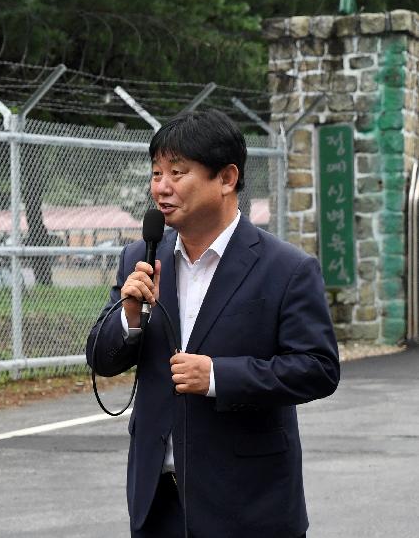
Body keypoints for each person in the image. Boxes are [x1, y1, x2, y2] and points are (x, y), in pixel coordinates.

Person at [86, 109, 340, 538]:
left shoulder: (287, 269)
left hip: (248, 504)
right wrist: (129, 315)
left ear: (226, 178)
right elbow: (101, 358)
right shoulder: (140, 258)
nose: (161, 188)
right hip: (157, 502)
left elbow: (318, 368)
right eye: (156, 173)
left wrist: (219, 375)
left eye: (178, 173)